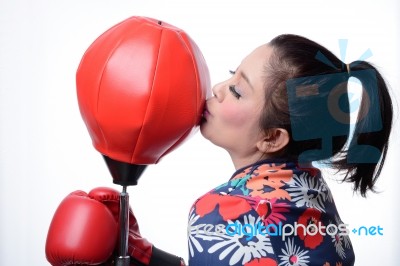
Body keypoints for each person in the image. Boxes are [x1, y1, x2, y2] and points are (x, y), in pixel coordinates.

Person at [46, 34, 393, 266]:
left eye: (238, 91)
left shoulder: (224, 212)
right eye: (231, 75)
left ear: (272, 138)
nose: (217, 87)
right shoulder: (313, 195)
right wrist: (146, 256)